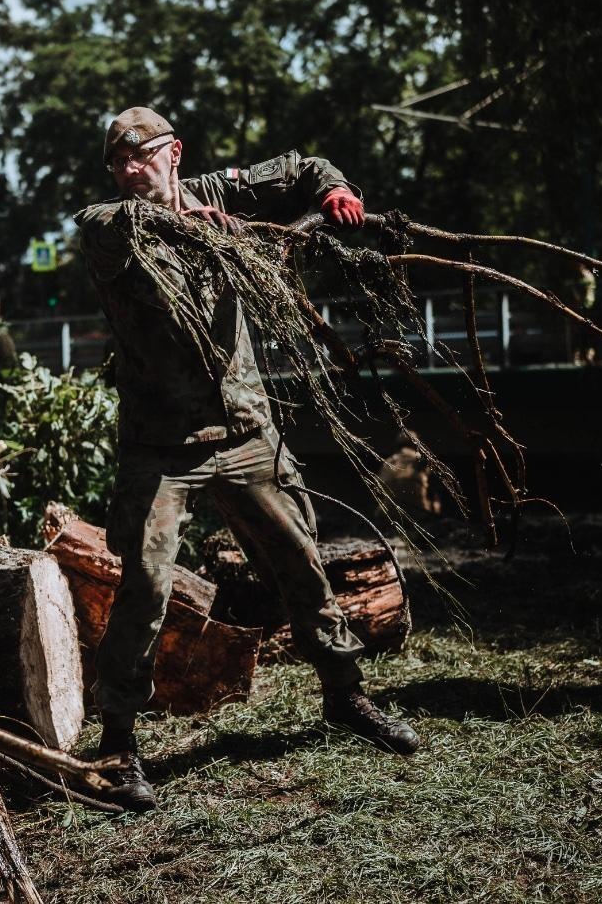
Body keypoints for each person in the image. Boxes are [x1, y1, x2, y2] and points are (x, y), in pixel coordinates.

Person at [76, 106, 420, 813]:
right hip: (163, 447)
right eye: (117, 163)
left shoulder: (219, 192)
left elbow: (297, 167)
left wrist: (332, 193)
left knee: (301, 561)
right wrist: (206, 227)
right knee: (144, 585)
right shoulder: (111, 228)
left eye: (138, 158)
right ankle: (118, 743)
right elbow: (106, 223)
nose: (126, 172)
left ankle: (345, 695)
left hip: (244, 431)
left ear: (174, 153)